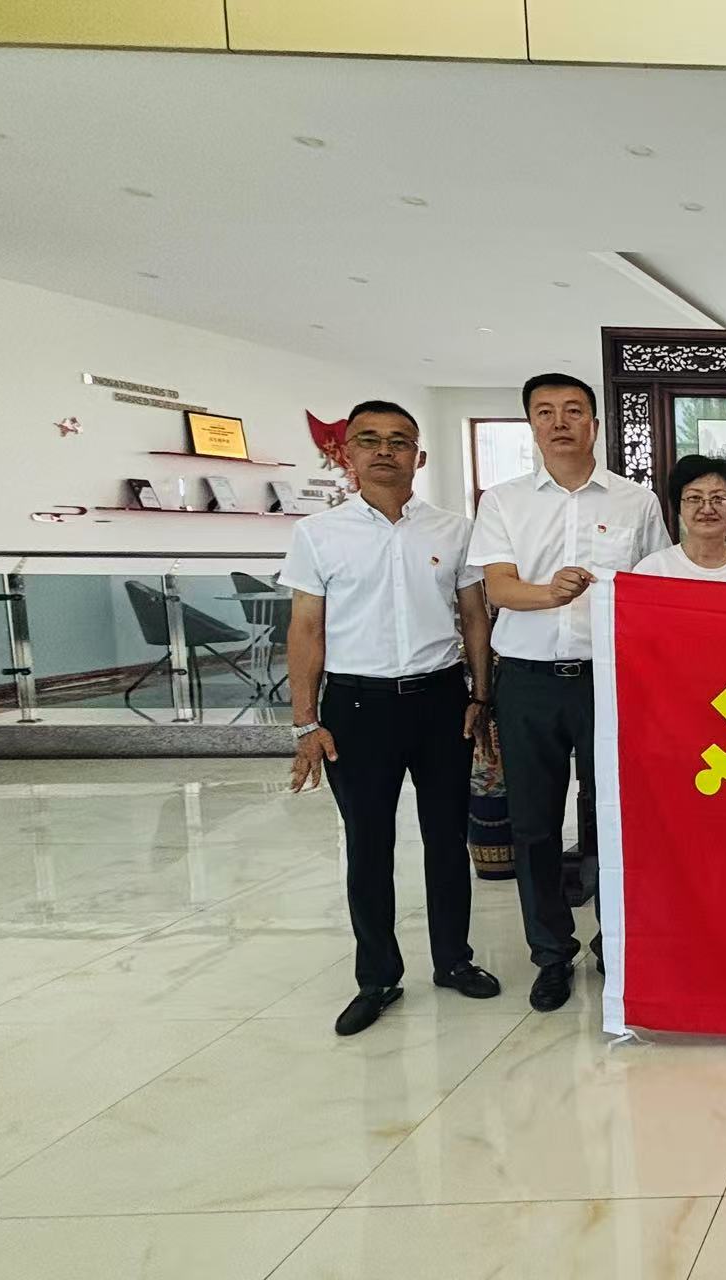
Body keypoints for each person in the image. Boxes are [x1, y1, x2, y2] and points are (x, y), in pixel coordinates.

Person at [282, 400, 501, 1036]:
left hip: (441, 702)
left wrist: (481, 697)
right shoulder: (319, 534)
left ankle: (453, 960)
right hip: (356, 708)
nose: (385, 451)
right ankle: (377, 977)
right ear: (347, 453)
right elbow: (306, 628)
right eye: (370, 440)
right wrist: (305, 722)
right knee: (368, 844)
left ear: (419, 457)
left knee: (446, 840)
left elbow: (474, 617)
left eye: (399, 441)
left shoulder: (454, 530)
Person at [470, 372, 667, 1012]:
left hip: (610, 680)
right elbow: (498, 587)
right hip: (528, 682)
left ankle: (616, 944)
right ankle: (550, 953)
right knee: (533, 825)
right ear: (531, 424)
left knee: (613, 817)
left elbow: (655, 587)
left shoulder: (636, 502)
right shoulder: (503, 501)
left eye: (574, 410)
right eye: (545, 411)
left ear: (594, 425)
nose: (560, 422)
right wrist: (548, 593)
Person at [634, 454, 726, 582]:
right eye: (694, 498)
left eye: (718, 498)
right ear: (679, 506)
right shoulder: (653, 571)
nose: (707, 509)